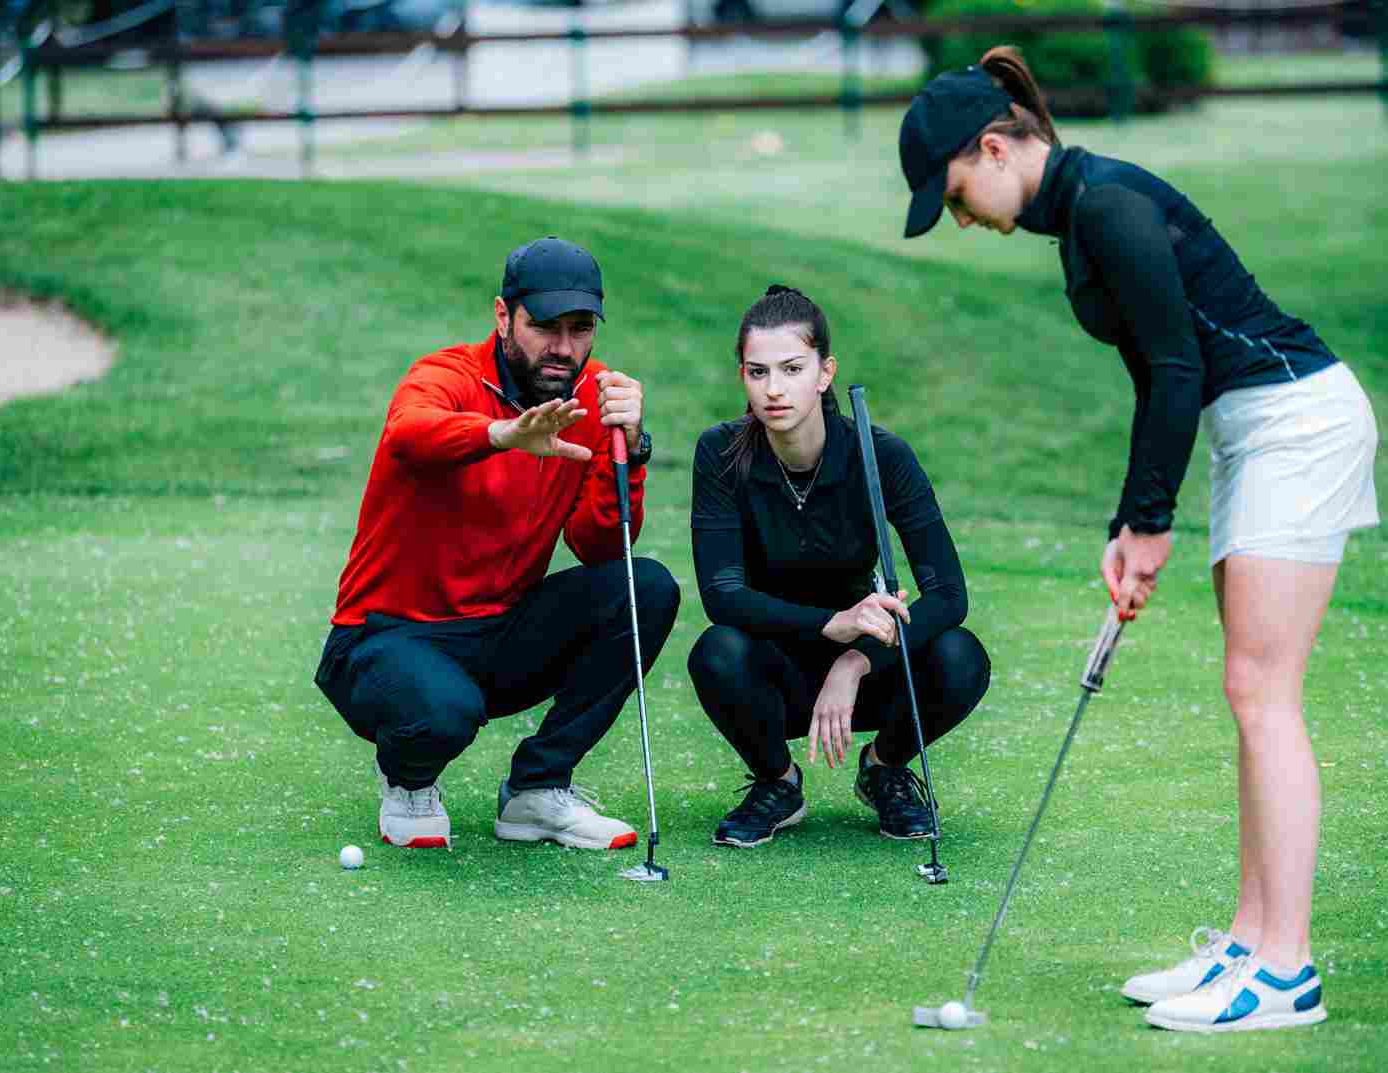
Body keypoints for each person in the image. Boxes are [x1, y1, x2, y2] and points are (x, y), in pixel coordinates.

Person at [898, 48, 1379, 1032]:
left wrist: (1151, 524)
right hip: (1254, 428)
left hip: (1294, 421)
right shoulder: (1082, 211)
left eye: (952, 194)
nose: (959, 217)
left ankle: (1284, 968)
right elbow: (1151, 378)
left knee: (1260, 688)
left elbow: (1172, 367)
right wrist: (1129, 521)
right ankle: (1250, 940)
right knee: (1248, 687)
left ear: (992, 148)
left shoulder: (1106, 204)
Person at [314, 237, 679, 853]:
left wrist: (632, 450)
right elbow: (410, 433)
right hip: (383, 638)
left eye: (580, 328)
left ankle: (537, 790)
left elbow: (596, 544)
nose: (564, 347)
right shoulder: (447, 374)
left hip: (499, 633)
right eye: (543, 327)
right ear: (504, 317)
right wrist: (501, 433)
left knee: (645, 588)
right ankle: (409, 780)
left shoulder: (591, 397)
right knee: (442, 711)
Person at [687, 285, 991, 848]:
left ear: (825, 373)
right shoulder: (720, 452)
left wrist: (856, 659)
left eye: (792, 369)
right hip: (773, 665)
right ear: (743, 377)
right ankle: (777, 783)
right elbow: (721, 594)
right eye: (757, 372)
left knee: (961, 655)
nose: (773, 389)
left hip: (867, 667)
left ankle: (885, 768)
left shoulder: (882, 455)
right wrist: (830, 623)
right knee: (716, 650)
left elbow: (948, 594)